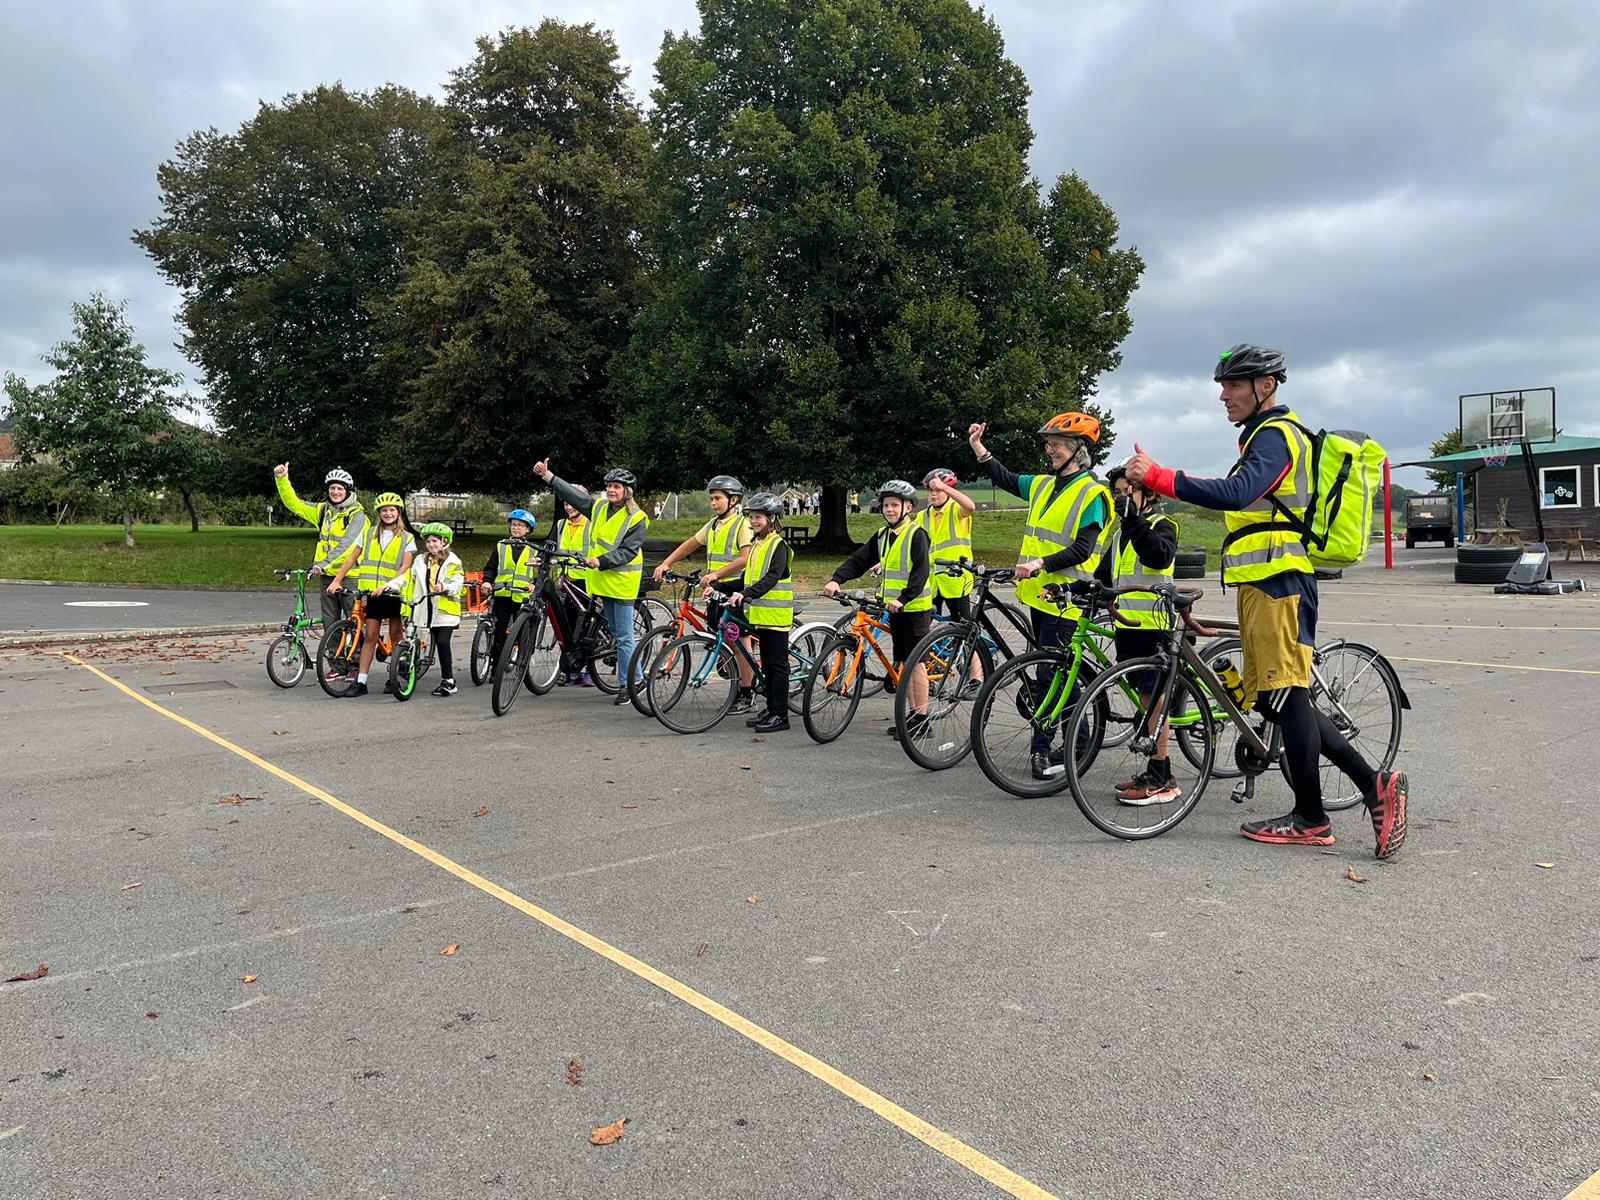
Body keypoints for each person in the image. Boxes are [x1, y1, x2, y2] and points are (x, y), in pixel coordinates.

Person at [1124, 343, 1408, 858]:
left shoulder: (1276, 436)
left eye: (1233, 385)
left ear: (1266, 386)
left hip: (1280, 584)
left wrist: (1161, 477)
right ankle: (1374, 788)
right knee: (1277, 700)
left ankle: (1313, 816)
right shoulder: (1260, 437)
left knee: (1288, 696)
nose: (1223, 395)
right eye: (1223, 386)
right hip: (1264, 585)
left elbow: (1237, 493)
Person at [967, 412, 1112, 780]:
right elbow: (1007, 478)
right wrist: (979, 448)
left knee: (1052, 676)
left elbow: (1083, 549)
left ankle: (1054, 749)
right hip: (1039, 596)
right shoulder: (1044, 485)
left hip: (1068, 598)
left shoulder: (1093, 494)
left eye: (1057, 445)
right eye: (1049, 444)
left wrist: (1041, 563)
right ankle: (1061, 741)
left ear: (1079, 451)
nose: (1050, 450)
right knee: (1050, 673)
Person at [823, 480, 932, 742]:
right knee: (904, 661)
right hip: (894, 609)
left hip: (914, 608)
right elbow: (860, 560)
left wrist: (904, 599)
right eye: (886, 505)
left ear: (908, 507)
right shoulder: (883, 536)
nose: (889, 509)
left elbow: (920, 572)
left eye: (895, 505)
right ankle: (913, 716)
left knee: (916, 663)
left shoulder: (917, 534)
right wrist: (838, 579)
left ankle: (922, 719)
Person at [534, 460, 650, 705]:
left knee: (625, 637)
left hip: (623, 583)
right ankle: (636, 676)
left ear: (627, 491)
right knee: (617, 634)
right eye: (609, 486)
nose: (611, 490)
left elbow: (628, 551)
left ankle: (629, 684)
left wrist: (602, 560)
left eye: (617, 486)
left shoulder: (637, 518)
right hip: (603, 582)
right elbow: (573, 495)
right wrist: (548, 476)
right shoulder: (598, 508)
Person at [1098, 460, 1181, 803]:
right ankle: (1153, 768)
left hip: (1154, 627)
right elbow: (1104, 574)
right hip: (1128, 627)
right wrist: (1076, 589)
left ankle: (1164, 776)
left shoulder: (1164, 525)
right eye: (1117, 493)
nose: (1121, 499)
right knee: (1144, 701)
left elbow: (1158, 557)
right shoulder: (1120, 534)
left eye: (1127, 492)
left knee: (1153, 701)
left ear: (1147, 494)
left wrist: (1132, 518)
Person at [654, 475, 759, 710]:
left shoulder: (742, 524)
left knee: (739, 641)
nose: (713, 502)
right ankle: (737, 675)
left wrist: (716, 575)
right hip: (716, 588)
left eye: (718, 498)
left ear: (733, 500)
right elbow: (691, 543)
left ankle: (746, 693)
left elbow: (745, 558)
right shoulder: (713, 524)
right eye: (711, 498)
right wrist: (666, 563)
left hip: (735, 588)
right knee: (721, 635)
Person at [703, 491, 793, 733]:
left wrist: (748, 594)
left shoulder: (778, 545)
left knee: (777, 665)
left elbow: (773, 577)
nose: (753, 521)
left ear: (773, 519)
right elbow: (746, 579)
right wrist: (719, 586)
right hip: (761, 616)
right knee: (768, 667)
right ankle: (771, 709)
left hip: (776, 616)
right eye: (751, 517)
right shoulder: (757, 544)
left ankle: (780, 714)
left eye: (759, 517)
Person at [327, 491, 416, 696]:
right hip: (371, 594)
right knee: (370, 636)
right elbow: (351, 559)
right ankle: (362, 682)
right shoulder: (368, 533)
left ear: (398, 512)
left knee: (395, 635)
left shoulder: (407, 538)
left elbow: (405, 566)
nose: (388, 514)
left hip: (393, 592)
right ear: (379, 513)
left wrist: (389, 585)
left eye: (392, 510)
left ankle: (395, 675)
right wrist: (337, 579)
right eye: (384, 510)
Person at [271, 463, 369, 635]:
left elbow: (348, 545)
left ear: (348, 490)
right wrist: (282, 480)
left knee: (355, 625)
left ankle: (356, 661)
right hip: (326, 576)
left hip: (351, 577)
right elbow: (295, 504)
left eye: (340, 488)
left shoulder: (358, 516)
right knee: (330, 625)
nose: (335, 492)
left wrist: (325, 563)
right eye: (332, 488)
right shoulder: (323, 511)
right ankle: (333, 660)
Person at [379, 521, 465, 696]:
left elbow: (458, 583)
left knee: (442, 642)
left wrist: (445, 588)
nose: (431, 545)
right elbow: (406, 577)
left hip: (444, 611)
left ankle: (448, 681)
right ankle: (404, 676)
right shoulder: (420, 560)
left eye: (435, 541)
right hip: (423, 609)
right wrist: (390, 586)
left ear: (444, 542)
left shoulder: (453, 562)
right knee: (413, 642)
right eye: (428, 542)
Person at [916, 467, 983, 692]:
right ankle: (933, 674)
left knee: (965, 628)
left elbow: (971, 507)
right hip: (932, 580)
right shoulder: (922, 516)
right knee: (926, 628)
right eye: (930, 491)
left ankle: (976, 678)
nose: (933, 494)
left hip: (956, 578)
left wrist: (944, 486)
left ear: (948, 489)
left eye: (938, 490)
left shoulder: (957, 510)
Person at [480, 509, 539, 674]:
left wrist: (535, 584)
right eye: (513, 525)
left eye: (520, 525)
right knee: (499, 635)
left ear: (528, 529)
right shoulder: (501, 546)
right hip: (502, 595)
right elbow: (491, 567)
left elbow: (542, 574)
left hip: (522, 598)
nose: (516, 528)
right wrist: (487, 581)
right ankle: (495, 669)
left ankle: (522, 666)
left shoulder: (534, 550)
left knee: (522, 634)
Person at [554, 497, 594, 686]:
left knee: (584, 626)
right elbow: (550, 544)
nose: (569, 507)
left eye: (573, 503)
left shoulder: (591, 524)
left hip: (588, 580)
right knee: (568, 627)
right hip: (568, 581)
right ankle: (571, 669)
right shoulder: (561, 525)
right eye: (566, 504)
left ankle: (586, 669)